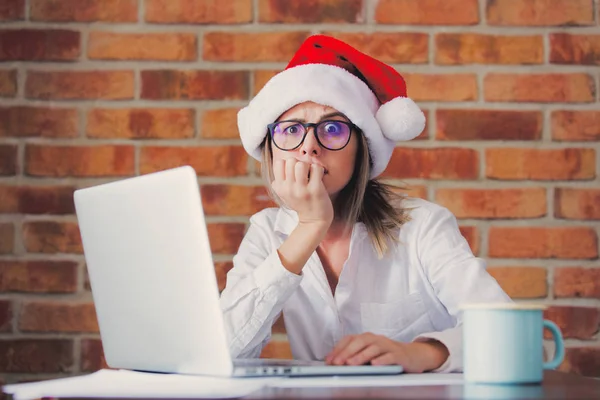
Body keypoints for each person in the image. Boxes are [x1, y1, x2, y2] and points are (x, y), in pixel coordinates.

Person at [219, 34, 511, 373]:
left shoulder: (422, 226)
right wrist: (309, 229)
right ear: (272, 150)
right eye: (291, 129)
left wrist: (422, 354)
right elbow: (222, 350)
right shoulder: (267, 231)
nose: (309, 147)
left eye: (332, 128)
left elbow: (507, 332)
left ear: (363, 147)